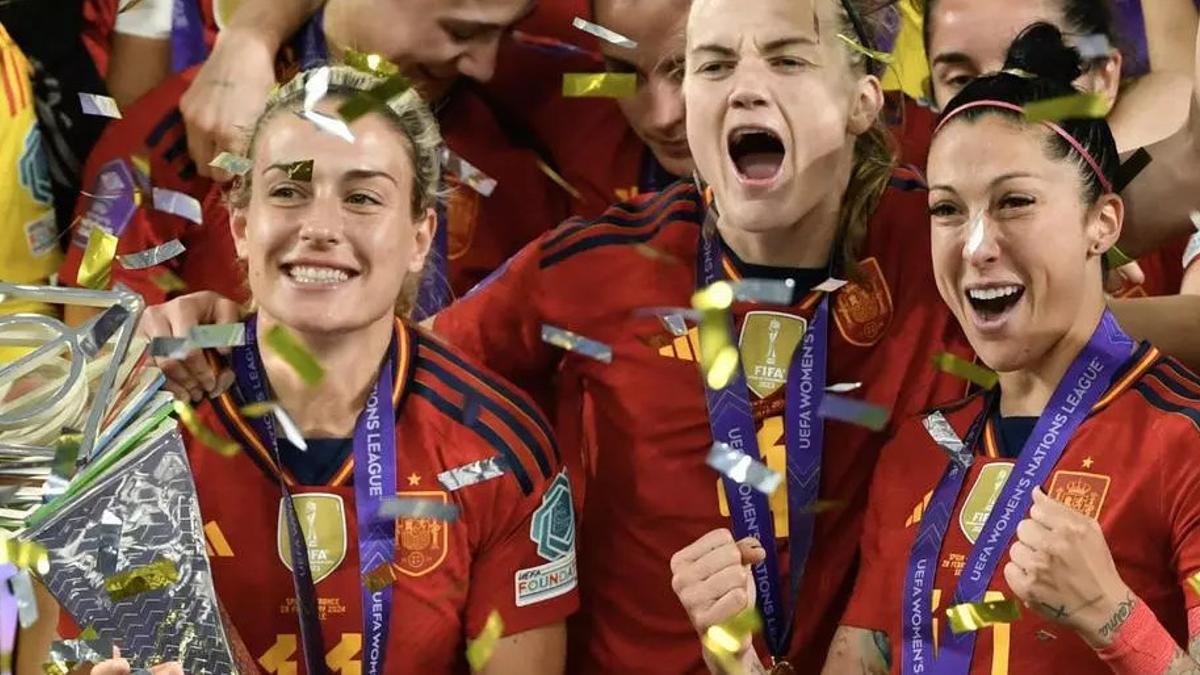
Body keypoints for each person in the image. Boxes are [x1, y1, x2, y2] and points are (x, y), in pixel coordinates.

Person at [131, 0, 1200, 672]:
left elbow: (1120, 206)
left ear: (872, 102)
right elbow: (398, 376)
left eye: (787, 58)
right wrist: (239, 328)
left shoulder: (935, 228)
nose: (743, 85)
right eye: (710, 62)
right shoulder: (588, 267)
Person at [28, 65, 578, 674]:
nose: (319, 228)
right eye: (288, 192)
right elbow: (55, 658)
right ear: (241, 226)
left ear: (421, 236)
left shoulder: (500, 450)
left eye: (363, 198)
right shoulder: (129, 431)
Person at [819, 24, 1200, 674]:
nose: (975, 246)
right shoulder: (916, 452)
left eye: (1015, 202)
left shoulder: (1184, 439)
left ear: (1101, 223)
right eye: (947, 209)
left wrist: (1113, 614)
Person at [57, 0, 570, 324]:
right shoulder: (187, 129)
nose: (487, 65)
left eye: (502, 33)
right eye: (461, 31)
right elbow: (96, 328)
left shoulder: (515, 148)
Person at [921, 0, 1200, 298]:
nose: (994, 102)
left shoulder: (1169, 172)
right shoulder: (900, 185)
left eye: (1035, 71)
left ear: (1103, 78)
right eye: (961, 80)